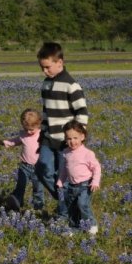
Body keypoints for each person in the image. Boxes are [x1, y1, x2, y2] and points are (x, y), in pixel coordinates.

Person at [35, 42, 89, 220]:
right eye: (42, 68)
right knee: (42, 169)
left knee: (63, 177)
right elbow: (45, 113)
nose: (45, 71)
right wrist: (41, 134)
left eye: (48, 67)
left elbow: (82, 112)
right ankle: (64, 201)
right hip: (49, 138)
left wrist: (78, 137)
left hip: (66, 141)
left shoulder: (71, 85)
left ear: (60, 62)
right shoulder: (45, 85)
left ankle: (68, 209)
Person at [56, 120, 101, 235]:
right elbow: (64, 170)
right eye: (69, 139)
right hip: (71, 185)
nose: (72, 141)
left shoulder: (87, 153)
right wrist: (60, 181)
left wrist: (95, 181)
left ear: (82, 137)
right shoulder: (66, 153)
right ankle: (75, 227)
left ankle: (91, 224)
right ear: (65, 139)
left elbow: (96, 168)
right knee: (72, 207)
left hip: (86, 185)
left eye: (75, 138)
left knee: (82, 204)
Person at [0, 108, 44, 211]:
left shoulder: (42, 135)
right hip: (24, 167)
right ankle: (16, 203)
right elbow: (16, 141)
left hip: (39, 168)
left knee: (38, 189)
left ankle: (38, 209)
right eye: (26, 129)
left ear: (38, 124)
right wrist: (5, 142)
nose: (28, 131)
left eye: (31, 129)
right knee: (20, 186)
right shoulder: (24, 135)